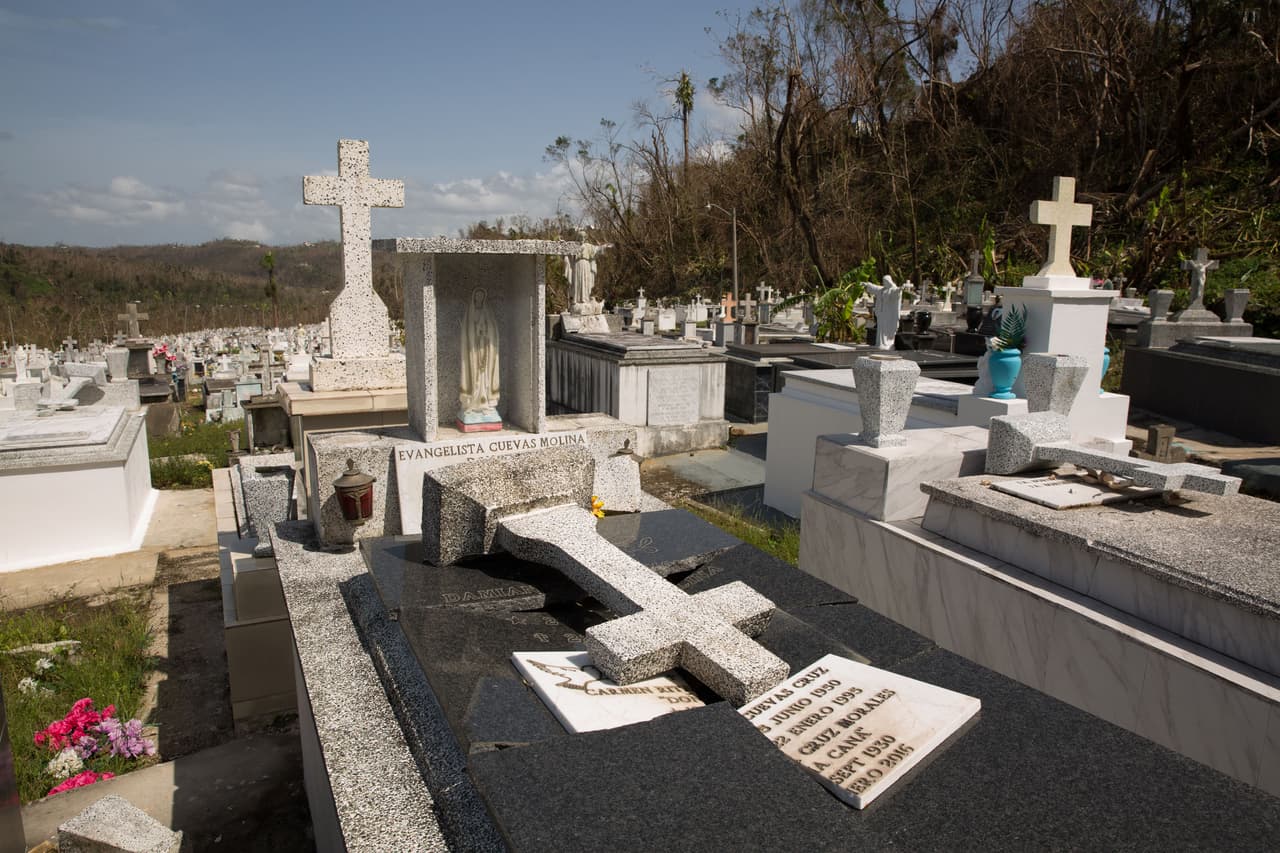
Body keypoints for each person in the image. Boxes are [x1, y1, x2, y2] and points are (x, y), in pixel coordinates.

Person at [459, 287, 500, 418]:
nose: (479, 298)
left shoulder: (487, 313)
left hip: (485, 349)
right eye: (477, 295)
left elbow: (493, 330)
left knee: (485, 376)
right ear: (474, 297)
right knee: (473, 375)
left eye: (482, 296)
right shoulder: (470, 314)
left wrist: (486, 331)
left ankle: (485, 403)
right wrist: (475, 332)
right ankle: (471, 404)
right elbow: (467, 332)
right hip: (473, 350)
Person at [863, 275, 903, 350]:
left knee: (886, 329)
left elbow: (896, 293)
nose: (884, 283)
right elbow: (874, 288)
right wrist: (867, 284)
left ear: (889, 282)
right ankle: (880, 342)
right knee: (881, 328)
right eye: (883, 281)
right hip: (882, 313)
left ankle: (887, 343)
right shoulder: (882, 290)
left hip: (889, 313)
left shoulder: (892, 290)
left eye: (885, 281)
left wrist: (900, 289)